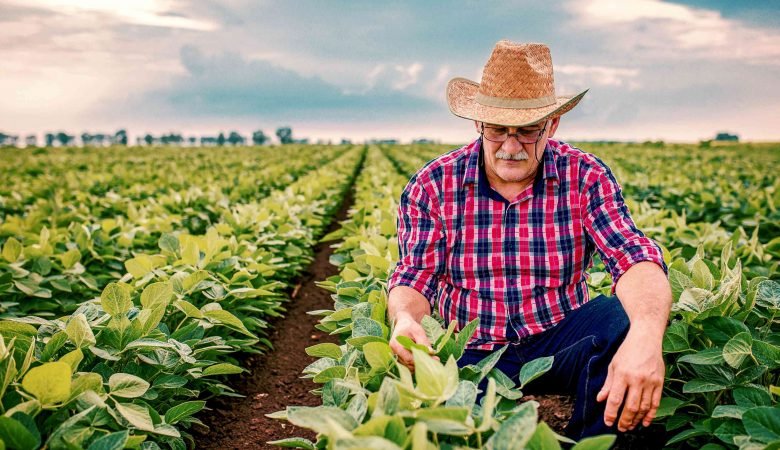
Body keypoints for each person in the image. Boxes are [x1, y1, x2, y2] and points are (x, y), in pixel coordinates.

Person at [386, 40, 672, 440]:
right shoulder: (434, 184)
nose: (510, 147)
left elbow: (632, 256)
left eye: (527, 132)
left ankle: (594, 442)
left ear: (552, 126)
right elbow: (415, 275)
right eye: (498, 130)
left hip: (559, 337)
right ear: (478, 124)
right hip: (474, 347)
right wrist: (404, 319)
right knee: (454, 419)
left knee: (621, 323)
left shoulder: (584, 175)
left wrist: (645, 335)